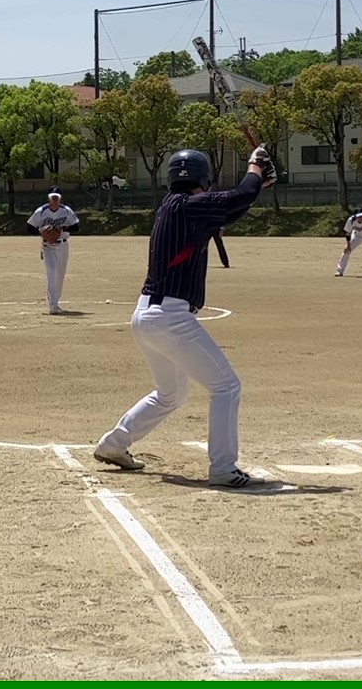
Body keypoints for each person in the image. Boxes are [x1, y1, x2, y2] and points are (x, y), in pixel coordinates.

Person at [93, 145, 275, 489]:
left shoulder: (174, 207)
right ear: (203, 177)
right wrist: (255, 166)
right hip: (170, 318)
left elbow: (233, 205)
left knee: (170, 393)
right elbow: (239, 195)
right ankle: (223, 467)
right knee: (226, 386)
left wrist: (256, 185)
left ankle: (113, 445)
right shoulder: (190, 207)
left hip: (147, 315)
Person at [28, 190, 81, 313]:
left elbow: (76, 226)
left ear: (60, 199)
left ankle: (55, 300)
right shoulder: (41, 211)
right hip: (48, 246)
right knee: (51, 272)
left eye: (57, 197)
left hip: (63, 245)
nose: (55, 200)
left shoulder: (66, 211)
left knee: (60, 275)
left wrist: (62, 228)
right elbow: (29, 227)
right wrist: (41, 232)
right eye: (53, 197)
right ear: (48, 199)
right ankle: (53, 305)